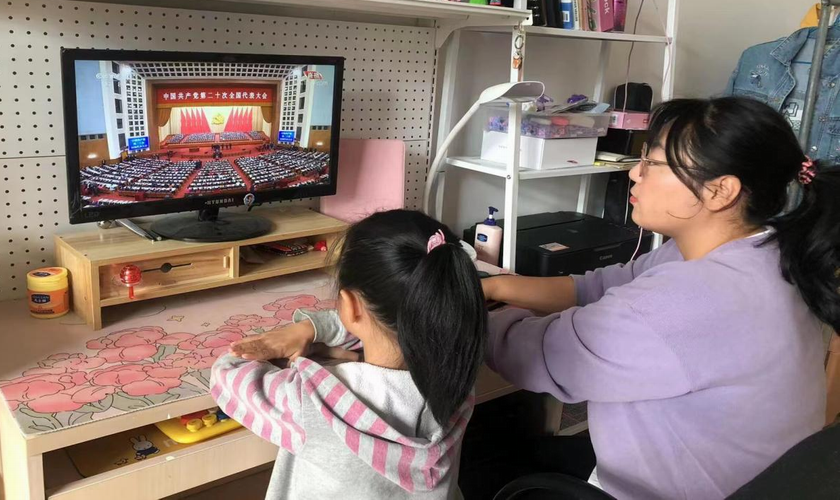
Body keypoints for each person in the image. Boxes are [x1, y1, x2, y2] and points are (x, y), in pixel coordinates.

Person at [482, 97, 840, 500]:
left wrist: (452, 304)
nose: (634, 173)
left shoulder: (691, 300)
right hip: (735, 477)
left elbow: (537, 356)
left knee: (490, 462)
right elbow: (602, 285)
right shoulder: (762, 249)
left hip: (663, 491)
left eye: (652, 162)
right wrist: (496, 286)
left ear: (720, 190)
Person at [210, 210, 488, 499]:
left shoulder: (310, 399)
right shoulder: (459, 381)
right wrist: (326, 343)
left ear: (351, 306)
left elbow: (227, 372)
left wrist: (306, 333)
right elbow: (397, 328)